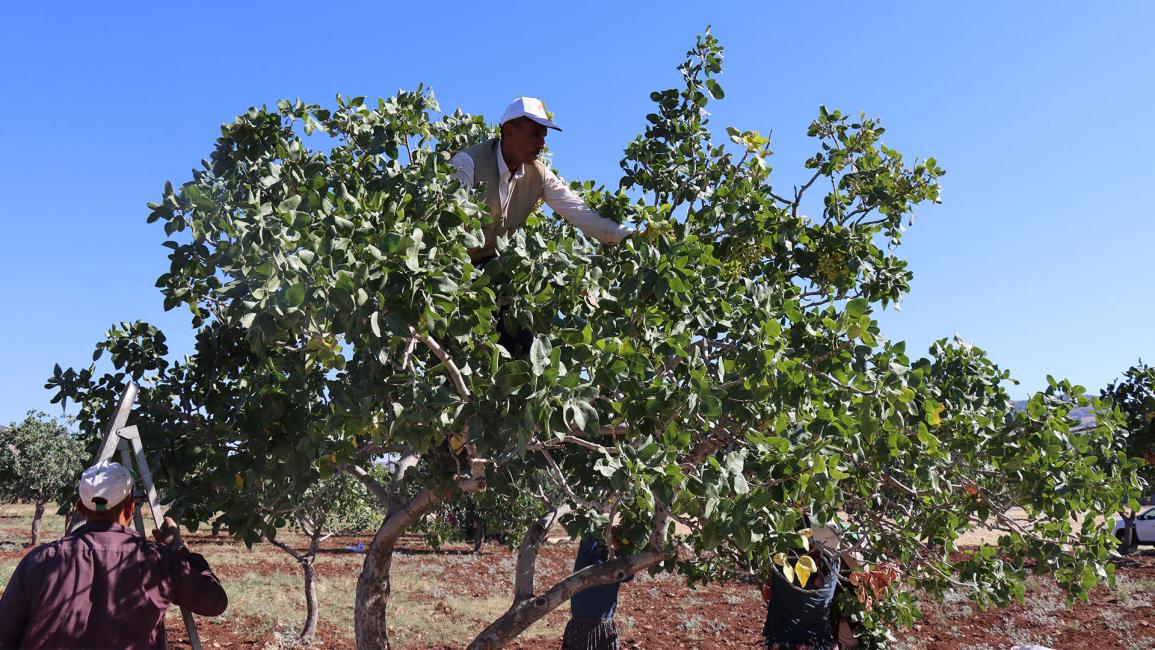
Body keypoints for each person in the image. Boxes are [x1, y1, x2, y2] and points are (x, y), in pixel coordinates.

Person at [0, 461, 228, 649]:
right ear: (130, 509)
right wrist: (179, 548)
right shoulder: (158, 561)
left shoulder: (40, 560)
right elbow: (214, 602)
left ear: (80, 508)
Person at [450, 96, 636, 265]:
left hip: (491, 273)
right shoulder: (468, 163)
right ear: (509, 132)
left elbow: (581, 213)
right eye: (534, 135)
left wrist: (633, 237)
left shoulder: (540, 174)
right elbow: (450, 229)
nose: (542, 144)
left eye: (544, 136)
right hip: (452, 270)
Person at [563, 533, 632, 650]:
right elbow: (592, 531)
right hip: (584, 627)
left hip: (602, 627)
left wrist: (618, 547)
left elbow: (629, 575)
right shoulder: (589, 555)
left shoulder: (616, 563)